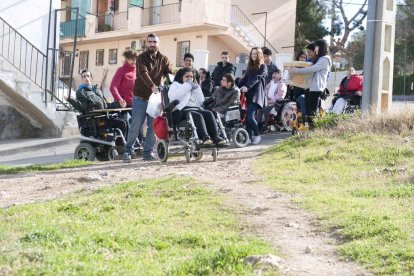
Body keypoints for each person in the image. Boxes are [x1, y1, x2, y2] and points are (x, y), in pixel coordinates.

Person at [123, 33, 173, 162]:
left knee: (153, 126)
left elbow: (170, 75)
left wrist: (175, 84)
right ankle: (128, 151)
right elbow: (143, 72)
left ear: (158, 43)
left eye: (154, 42)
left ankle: (147, 152)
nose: (152, 44)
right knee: (136, 125)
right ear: (147, 43)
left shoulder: (164, 59)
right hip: (140, 97)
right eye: (150, 42)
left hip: (155, 99)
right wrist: (152, 86)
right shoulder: (141, 58)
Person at [168, 67, 226, 146]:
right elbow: (174, 97)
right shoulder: (175, 85)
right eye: (187, 76)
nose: (189, 79)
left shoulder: (194, 85)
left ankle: (216, 137)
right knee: (197, 115)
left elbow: (201, 101)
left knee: (209, 113)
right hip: (181, 110)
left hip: (196, 108)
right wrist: (187, 86)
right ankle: (205, 138)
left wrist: (197, 89)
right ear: (181, 77)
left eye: (191, 77)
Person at [66, 69, 127, 135]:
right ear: (81, 80)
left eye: (88, 76)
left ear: (91, 78)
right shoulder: (81, 92)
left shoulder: (97, 90)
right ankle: (121, 144)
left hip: (104, 117)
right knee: (122, 123)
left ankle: (123, 143)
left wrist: (119, 104)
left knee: (125, 122)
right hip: (95, 120)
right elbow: (82, 107)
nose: (86, 78)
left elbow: (105, 105)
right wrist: (70, 99)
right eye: (84, 76)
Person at [288, 39, 331, 129]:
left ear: (320, 48)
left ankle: (313, 131)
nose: (315, 49)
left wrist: (296, 70)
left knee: (312, 112)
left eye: (316, 47)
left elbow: (311, 69)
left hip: (316, 88)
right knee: (307, 110)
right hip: (309, 87)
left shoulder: (325, 59)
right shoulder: (318, 58)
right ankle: (307, 128)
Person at [109, 49, 144, 146]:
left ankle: (139, 145)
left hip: (136, 102)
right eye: (131, 59)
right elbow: (113, 87)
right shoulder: (121, 70)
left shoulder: (137, 71)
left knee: (139, 124)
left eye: (135, 59)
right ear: (126, 59)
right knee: (126, 125)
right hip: (123, 104)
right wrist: (119, 99)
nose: (134, 61)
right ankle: (125, 147)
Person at [237, 47, 267, 145]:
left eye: (255, 53)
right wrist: (235, 87)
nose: (253, 55)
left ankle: (257, 135)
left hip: (256, 95)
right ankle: (249, 137)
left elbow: (256, 78)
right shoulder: (250, 67)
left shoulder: (263, 66)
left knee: (250, 116)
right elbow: (244, 79)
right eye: (252, 53)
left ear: (259, 55)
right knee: (246, 118)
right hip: (248, 95)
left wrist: (247, 86)